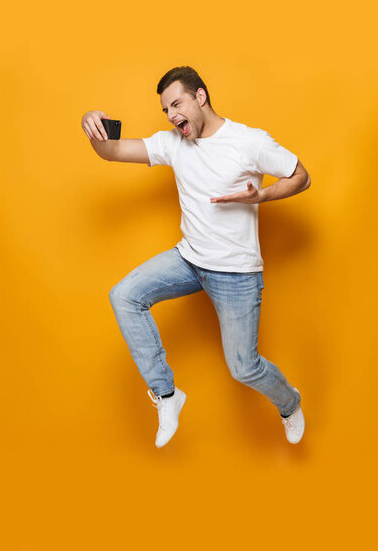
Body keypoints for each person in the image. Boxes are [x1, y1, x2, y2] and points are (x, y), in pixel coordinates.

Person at [81, 65, 311, 449]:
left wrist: (262, 196)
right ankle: (167, 395)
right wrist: (92, 125)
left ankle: (289, 403)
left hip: (236, 274)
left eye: (176, 104)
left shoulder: (249, 142)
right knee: (124, 296)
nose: (172, 116)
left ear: (200, 97)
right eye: (166, 110)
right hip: (189, 261)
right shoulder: (174, 143)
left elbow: (301, 176)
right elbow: (114, 151)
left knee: (244, 368)